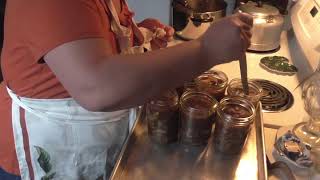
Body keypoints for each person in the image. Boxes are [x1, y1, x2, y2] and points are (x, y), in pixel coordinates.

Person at [0, 0, 253, 179]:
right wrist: (206, 49)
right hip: (42, 150)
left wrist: (137, 36)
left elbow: (82, 37)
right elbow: (96, 86)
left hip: (94, 141)